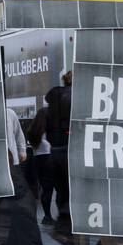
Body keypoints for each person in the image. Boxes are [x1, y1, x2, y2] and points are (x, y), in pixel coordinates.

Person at [44, 71, 73, 235]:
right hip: (72, 152)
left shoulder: (54, 98)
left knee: (62, 192)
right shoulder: (77, 97)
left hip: (54, 152)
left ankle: (64, 231)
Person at [27, 110, 56, 226]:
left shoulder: (33, 131)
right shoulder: (48, 130)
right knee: (54, 188)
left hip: (37, 160)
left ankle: (47, 215)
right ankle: (51, 217)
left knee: (45, 189)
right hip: (49, 158)